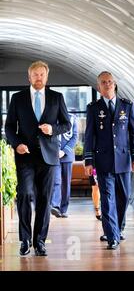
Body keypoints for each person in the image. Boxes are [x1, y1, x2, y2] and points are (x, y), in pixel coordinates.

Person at [5, 60, 71, 256]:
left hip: (49, 157)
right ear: (29, 77)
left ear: (46, 76)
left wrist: (53, 129)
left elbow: (66, 124)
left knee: (44, 199)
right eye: (35, 75)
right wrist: (17, 144)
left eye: (42, 74)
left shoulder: (56, 98)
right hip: (25, 157)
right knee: (24, 194)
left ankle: (40, 241)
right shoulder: (17, 98)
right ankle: (25, 240)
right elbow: (9, 127)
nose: (39, 78)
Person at [84, 71, 134, 250]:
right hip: (103, 161)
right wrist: (88, 160)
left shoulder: (127, 105)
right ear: (98, 87)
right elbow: (89, 135)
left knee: (124, 197)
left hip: (123, 160)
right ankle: (112, 236)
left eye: (110, 82)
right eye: (103, 82)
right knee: (107, 198)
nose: (107, 85)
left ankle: (118, 228)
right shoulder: (93, 108)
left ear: (114, 84)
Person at [51, 113, 78, 218]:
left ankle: (63, 209)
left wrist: (64, 151)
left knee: (66, 183)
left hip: (67, 156)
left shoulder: (71, 118)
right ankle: (55, 206)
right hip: (53, 155)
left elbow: (75, 137)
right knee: (56, 181)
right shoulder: (51, 116)